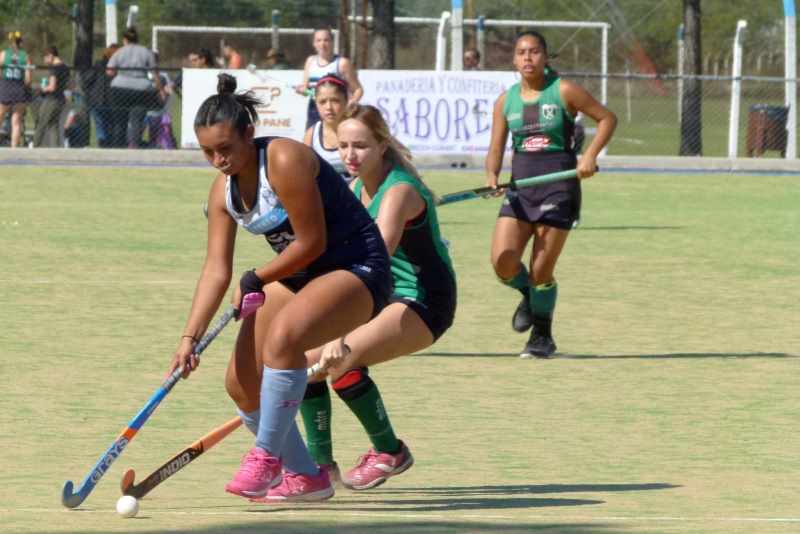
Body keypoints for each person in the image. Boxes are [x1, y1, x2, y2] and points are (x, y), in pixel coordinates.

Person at [169, 73, 392, 503]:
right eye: (208, 152)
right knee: (241, 383)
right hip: (300, 277)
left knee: (283, 339)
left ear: (248, 134)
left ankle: (266, 457)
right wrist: (189, 338)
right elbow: (216, 269)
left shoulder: (285, 159)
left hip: (357, 268)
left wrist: (258, 277)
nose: (218, 160)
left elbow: (313, 242)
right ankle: (307, 478)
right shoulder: (222, 192)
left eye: (225, 148)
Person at [299, 104, 457, 491]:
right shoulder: (356, 188)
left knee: (340, 358)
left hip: (423, 299)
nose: (350, 155)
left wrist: (339, 331)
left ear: (382, 146)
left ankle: (390, 452)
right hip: (384, 297)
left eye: (361, 146)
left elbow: (375, 264)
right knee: (304, 364)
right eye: (343, 146)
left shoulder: (398, 192)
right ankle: (319, 469)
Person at [486, 31, 616, 358]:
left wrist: (589, 157)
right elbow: (496, 148)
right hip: (520, 188)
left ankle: (542, 336)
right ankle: (531, 297)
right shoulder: (505, 101)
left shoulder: (564, 91)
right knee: (503, 262)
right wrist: (492, 176)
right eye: (521, 52)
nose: (527, 58)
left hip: (558, 187)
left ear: (545, 57)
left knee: (541, 271)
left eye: (534, 52)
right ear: (514, 60)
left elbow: (607, 119)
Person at [106, 27, 162, 148]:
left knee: (119, 121)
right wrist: (159, 89)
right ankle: (134, 146)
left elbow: (109, 71)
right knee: (137, 120)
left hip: (120, 89)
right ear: (137, 39)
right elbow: (155, 72)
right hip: (141, 89)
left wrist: (120, 74)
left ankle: (118, 146)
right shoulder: (146, 52)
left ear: (125, 40)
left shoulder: (119, 52)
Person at [296, 28, 362, 130]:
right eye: (318, 40)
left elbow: (358, 90)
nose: (322, 44)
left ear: (332, 42)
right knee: (312, 137)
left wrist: (352, 102)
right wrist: (301, 90)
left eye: (326, 40)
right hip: (315, 109)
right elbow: (306, 88)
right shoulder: (310, 61)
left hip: (336, 109)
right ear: (314, 43)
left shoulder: (342, 63)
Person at [302, 74, 349, 180]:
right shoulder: (311, 135)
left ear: (346, 101)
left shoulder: (359, 129)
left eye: (335, 100)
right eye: (322, 102)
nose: (329, 107)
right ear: (316, 103)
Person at [0, 31, 32, 148]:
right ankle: (14, 149)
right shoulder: (25, 56)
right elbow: (28, 79)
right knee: (16, 122)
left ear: (10, 42)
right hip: (18, 88)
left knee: (1, 116)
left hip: (5, 87)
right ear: (20, 42)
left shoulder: (3, 54)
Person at [83, 44, 119, 147]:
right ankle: (108, 143)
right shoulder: (117, 67)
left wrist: (89, 92)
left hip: (96, 100)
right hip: (110, 100)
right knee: (110, 124)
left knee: (100, 125)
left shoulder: (98, 64)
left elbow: (87, 80)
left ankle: (102, 142)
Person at [33, 46, 70, 147]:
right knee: (53, 125)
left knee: (41, 123)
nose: (44, 61)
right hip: (61, 99)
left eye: (45, 57)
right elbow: (70, 85)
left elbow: (52, 87)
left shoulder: (54, 68)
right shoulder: (65, 67)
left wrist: (42, 89)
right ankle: (55, 149)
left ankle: (35, 146)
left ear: (51, 55)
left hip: (51, 99)